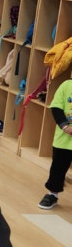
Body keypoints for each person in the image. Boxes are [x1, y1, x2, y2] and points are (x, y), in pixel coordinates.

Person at [38, 76, 72, 209]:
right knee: (58, 169)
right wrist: (65, 126)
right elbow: (56, 108)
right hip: (63, 140)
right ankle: (52, 194)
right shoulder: (66, 85)